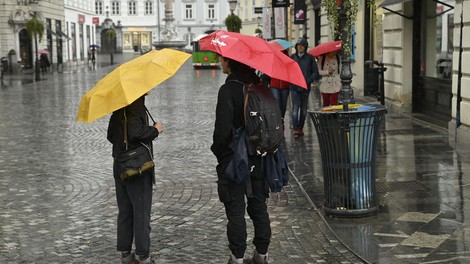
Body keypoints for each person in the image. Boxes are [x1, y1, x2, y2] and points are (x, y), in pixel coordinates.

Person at [211, 56, 271, 264]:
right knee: (259, 205)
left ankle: (237, 258)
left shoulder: (228, 90)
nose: (220, 62)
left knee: (235, 210)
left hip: (235, 159)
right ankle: (261, 255)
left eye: (222, 59)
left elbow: (221, 132)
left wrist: (220, 154)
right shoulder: (259, 86)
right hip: (260, 155)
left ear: (230, 63)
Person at [107, 95, 163, 264]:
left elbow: (111, 135)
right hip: (137, 169)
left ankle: (125, 255)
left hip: (120, 166)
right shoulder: (136, 104)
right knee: (141, 212)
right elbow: (135, 132)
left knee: (125, 211)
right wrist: (155, 130)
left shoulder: (118, 105)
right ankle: (143, 257)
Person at [289, 38, 319, 136]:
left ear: (305, 47)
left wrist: (309, 80)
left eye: (302, 45)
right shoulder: (292, 57)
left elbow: (315, 72)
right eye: (298, 45)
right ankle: (295, 128)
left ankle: (301, 127)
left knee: (304, 110)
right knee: (295, 109)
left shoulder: (310, 58)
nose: (300, 47)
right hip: (294, 87)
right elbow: (288, 70)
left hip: (305, 87)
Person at [269, 49, 290, 120]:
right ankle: (278, 119)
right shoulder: (273, 57)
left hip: (285, 85)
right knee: (277, 102)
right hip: (275, 85)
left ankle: (282, 118)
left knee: (283, 104)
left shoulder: (287, 58)